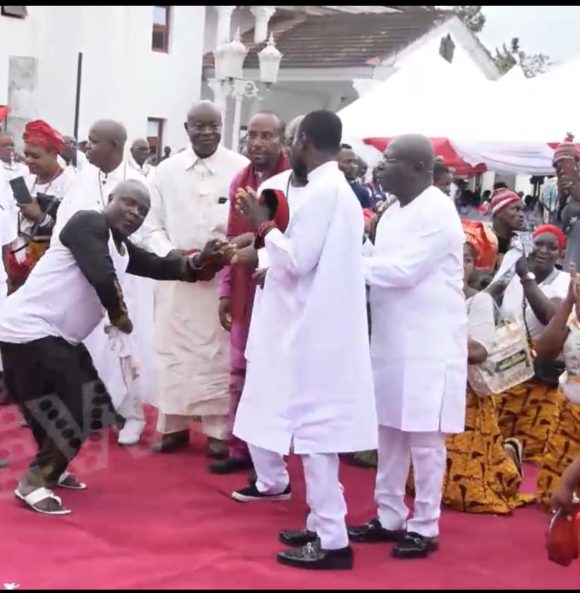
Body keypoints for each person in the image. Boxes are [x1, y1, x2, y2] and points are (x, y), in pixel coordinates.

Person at [0, 179, 229, 515]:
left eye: (142, 210)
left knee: (63, 406)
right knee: (80, 405)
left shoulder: (119, 245)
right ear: (110, 199)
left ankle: (51, 466)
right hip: (30, 329)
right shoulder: (88, 223)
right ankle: (36, 481)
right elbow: (100, 273)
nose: (134, 212)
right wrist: (120, 316)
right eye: (129, 203)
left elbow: (159, 265)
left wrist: (199, 263)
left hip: (51, 335)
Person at [232, 110, 377, 570]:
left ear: (306, 141)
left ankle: (333, 541)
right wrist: (270, 263)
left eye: (292, 139)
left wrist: (263, 225)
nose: (288, 148)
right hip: (317, 324)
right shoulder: (333, 192)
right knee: (315, 433)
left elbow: (299, 260)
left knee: (316, 436)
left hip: (315, 332)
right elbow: (307, 263)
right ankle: (319, 523)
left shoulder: (325, 193)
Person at [349, 134, 467, 560]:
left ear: (419, 168)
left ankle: (425, 524)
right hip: (391, 340)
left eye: (390, 161)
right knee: (390, 434)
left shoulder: (437, 210)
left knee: (423, 438)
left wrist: (346, 264)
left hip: (428, 345)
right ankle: (389, 514)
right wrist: (352, 244)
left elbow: (402, 271)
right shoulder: (395, 212)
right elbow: (377, 259)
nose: (380, 168)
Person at [146, 100, 248, 457]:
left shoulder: (241, 168)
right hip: (176, 276)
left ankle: (219, 431)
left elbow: (248, 223)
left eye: (213, 125)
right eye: (198, 126)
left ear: (223, 127)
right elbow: (150, 223)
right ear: (186, 129)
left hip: (221, 279)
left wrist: (225, 252)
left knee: (218, 354)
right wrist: (174, 257)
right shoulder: (165, 171)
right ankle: (171, 427)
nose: (207, 132)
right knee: (173, 351)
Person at [55, 120, 157, 447]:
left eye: (93, 141)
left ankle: (133, 414)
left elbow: (149, 234)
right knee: (89, 348)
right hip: (84, 280)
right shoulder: (83, 179)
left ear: (114, 145)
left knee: (125, 349)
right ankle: (97, 410)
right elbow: (64, 224)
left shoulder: (139, 184)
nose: (86, 146)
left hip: (125, 282)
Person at [212, 112, 289, 474]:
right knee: (239, 372)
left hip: (280, 293)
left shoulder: (291, 182)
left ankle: (271, 455)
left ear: (283, 140)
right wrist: (226, 289)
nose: (257, 142)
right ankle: (239, 448)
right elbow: (232, 236)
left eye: (267, 136)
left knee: (271, 373)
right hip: (245, 291)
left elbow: (292, 240)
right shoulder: (240, 181)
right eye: (252, 135)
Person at [441, 221, 535, 514]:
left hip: (468, 396)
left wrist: (438, 333)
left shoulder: (477, 301)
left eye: (467, 259)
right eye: (454, 258)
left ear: (475, 266)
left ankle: (508, 456)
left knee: (470, 493)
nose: (460, 265)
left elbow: (479, 351)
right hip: (438, 389)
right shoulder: (435, 297)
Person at [495, 225, 569, 463]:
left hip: (540, 380)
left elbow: (551, 315)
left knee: (536, 449)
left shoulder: (565, 282)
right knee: (497, 436)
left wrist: (527, 278)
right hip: (507, 373)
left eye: (552, 247)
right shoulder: (514, 278)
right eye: (538, 244)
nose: (543, 251)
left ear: (562, 254)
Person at [5, 120, 76, 292]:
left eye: (35, 156)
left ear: (53, 154)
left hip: (49, 275)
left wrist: (40, 218)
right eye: (26, 154)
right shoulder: (27, 178)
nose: (28, 161)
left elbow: (73, 233)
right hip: (16, 266)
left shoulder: (71, 183)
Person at [534, 263, 580, 508]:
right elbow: (543, 351)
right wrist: (569, 302)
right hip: (567, 418)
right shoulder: (571, 317)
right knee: (551, 499)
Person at [338, 144, 373, 209]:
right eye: (348, 161)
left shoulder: (362, 192)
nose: (353, 166)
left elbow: (368, 216)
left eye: (355, 162)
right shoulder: (323, 186)